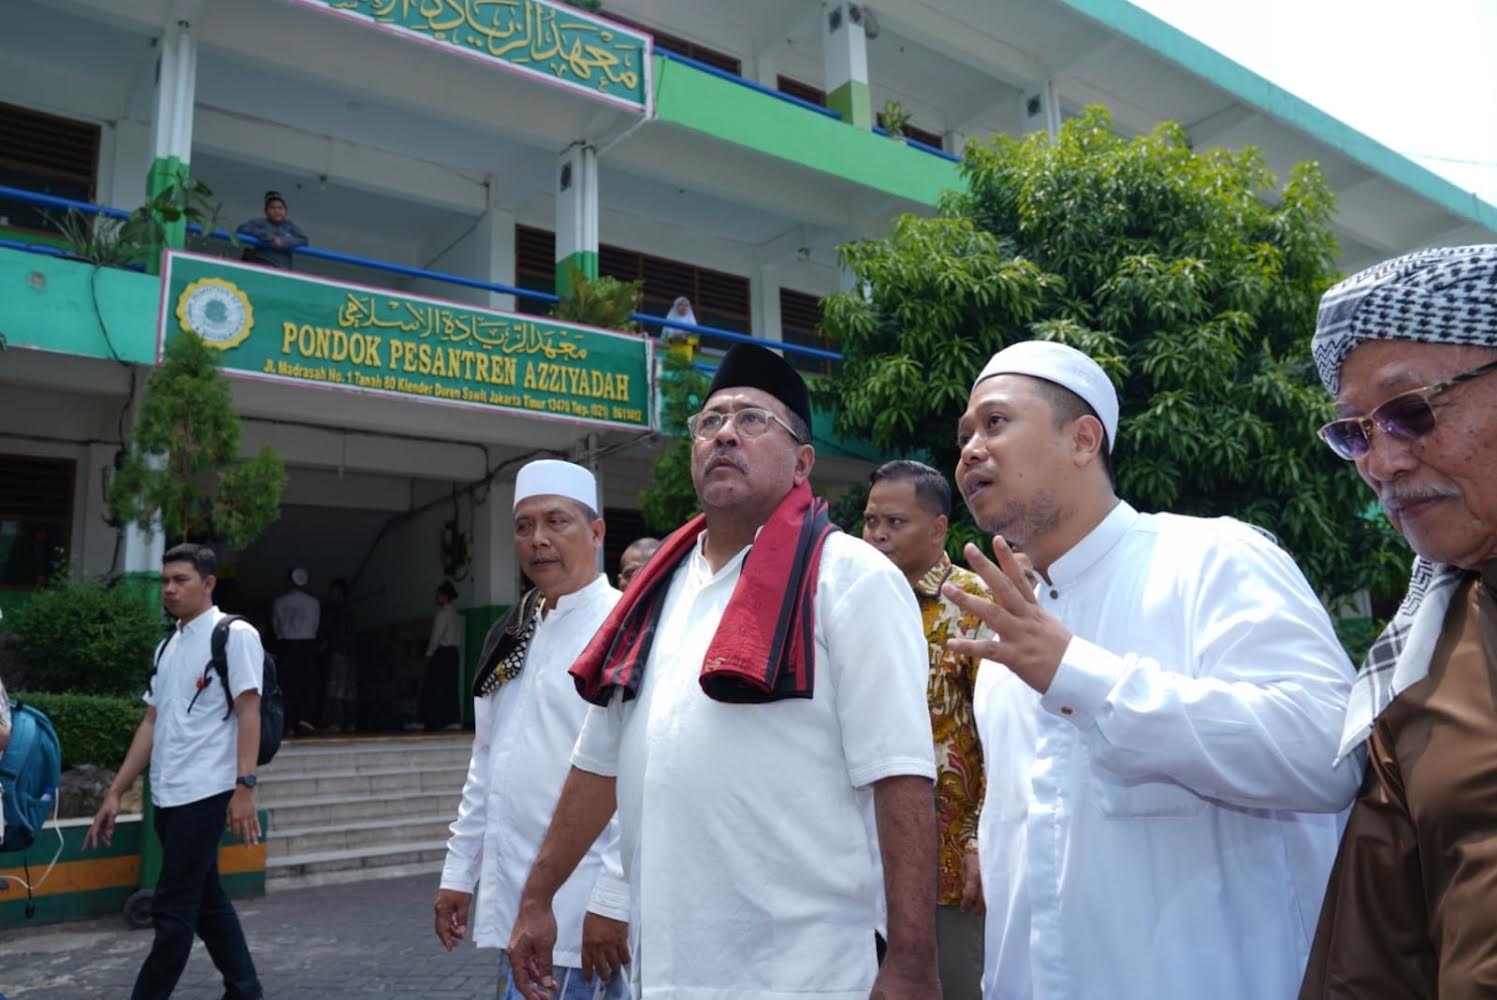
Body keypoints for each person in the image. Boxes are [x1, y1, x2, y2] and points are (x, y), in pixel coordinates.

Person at [506, 342, 939, 999]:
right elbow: (599, 760)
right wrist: (539, 895)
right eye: (709, 422)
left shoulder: (851, 578)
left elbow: (900, 775)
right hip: (669, 968)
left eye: (752, 420)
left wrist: (911, 959)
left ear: (802, 463)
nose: (725, 434)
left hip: (803, 972)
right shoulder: (654, 591)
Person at [947, 340, 1359, 999]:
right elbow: (1016, 861)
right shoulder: (1004, 648)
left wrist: (1082, 676)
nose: (969, 449)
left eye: (994, 423)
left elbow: (1325, 755)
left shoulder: (1210, 558)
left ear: (1083, 440)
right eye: (964, 434)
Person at [1298, 245, 1497, 998]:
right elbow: (1370, 968)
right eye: (1354, 433)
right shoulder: (1417, 675)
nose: (1380, 464)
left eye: (1409, 412)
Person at [435, 459, 630, 999]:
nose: (538, 540)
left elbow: (640, 778)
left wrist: (613, 898)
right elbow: (487, 761)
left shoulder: (627, 629)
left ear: (596, 533)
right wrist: (460, 872)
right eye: (524, 527)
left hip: (586, 909)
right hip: (518, 903)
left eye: (556, 522)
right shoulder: (513, 631)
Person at [84, 542, 263, 1000]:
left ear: (207, 583)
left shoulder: (234, 634)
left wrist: (244, 787)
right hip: (168, 793)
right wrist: (115, 791)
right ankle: (245, 991)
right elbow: (152, 721)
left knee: (173, 912)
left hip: (207, 791)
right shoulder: (169, 645)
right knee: (208, 902)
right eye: (165, 580)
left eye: (180, 580)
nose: (169, 589)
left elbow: (249, 711)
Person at [862, 459, 987, 994]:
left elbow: (1004, 737)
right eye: (871, 522)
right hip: (855, 862)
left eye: (895, 522)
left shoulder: (976, 606)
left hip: (947, 866)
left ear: (938, 529)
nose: (879, 535)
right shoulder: (848, 601)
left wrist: (982, 840)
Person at [271, 567, 320, 735]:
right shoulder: (313, 602)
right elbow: (315, 625)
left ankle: (288, 723)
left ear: (289, 581)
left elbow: (276, 626)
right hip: (307, 645)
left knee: (286, 685)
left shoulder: (280, 601)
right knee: (305, 685)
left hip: (286, 645)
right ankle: (304, 720)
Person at [419, 580, 462, 732]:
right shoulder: (456, 615)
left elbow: (436, 637)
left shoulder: (442, 614)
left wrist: (429, 653)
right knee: (450, 687)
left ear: (444, 596)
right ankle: (452, 720)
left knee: (435, 687)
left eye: (438, 595)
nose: (436, 598)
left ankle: (433, 720)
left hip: (442, 653)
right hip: (454, 654)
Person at [320, 578, 358, 734]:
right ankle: (350, 722)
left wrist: (326, 644)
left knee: (337, 688)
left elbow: (336, 632)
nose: (330, 593)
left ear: (340, 591)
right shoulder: (348, 610)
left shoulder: (339, 610)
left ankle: (336, 722)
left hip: (340, 652)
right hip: (350, 652)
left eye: (333, 590)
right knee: (348, 689)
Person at [236, 191, 308, 270]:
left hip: (283, 269)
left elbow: (304, 240)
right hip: (260, 266)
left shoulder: (290, 226)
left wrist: (284, 242)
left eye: (280, 208)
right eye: (272, 208)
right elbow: (241, 229)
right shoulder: (260, 222)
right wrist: (269, 238)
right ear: (266, 212)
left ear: (285, 211)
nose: (277, 211)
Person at [660, 296, 699, 363]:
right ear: (676, 306)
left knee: (684, 371)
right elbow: (664, 338)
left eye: (686, 305)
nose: (683, 307)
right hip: (673, 350)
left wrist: (685, 340)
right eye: (681, 305)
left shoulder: (692, 322)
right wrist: (672, 339)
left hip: (686, 352)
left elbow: (696, 339)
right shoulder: (670, 319)